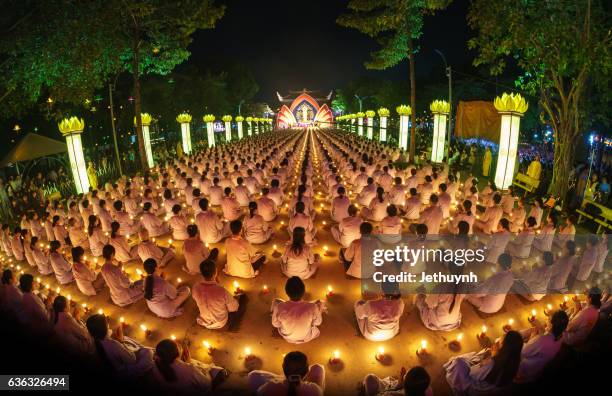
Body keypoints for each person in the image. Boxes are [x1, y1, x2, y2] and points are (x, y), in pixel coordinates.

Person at [444, 330, 524, 395]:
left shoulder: (490, 363)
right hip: (489, 389)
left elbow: (472, 373)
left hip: (473, 387)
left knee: (458, 362)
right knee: (481, 353)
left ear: (504, 350)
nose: (495, 343)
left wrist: (488, 359)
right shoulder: (513, 362)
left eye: (499, 342)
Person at [85, 314, 153, 379]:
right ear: (104, 327)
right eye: (106, 323)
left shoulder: (93, 340)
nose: (108, 324)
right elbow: (132, 359)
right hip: (123, 372)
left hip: (111, 369)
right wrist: (121, 341)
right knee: (148, 352)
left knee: (126, 338)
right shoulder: (112, 344)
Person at [150, 339, 225, 394]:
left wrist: (188, 363)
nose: (180, 347)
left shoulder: (155, 365)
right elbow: (207, 384)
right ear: (177, 353)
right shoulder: (190, 370)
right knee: (220, 372)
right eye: (178, 346)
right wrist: (205, 371)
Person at [515, 310, 569, 383]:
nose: (547, 320)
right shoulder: (560, 336)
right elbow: (547, 338)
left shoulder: (542, 340)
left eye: (549, 319)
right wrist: (540, 327)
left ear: (552, 325)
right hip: (539, 367)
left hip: (526, 369)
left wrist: (532, 336)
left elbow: (523, 352)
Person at [271, 277, 324, 344]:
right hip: (305, 336)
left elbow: (275, 324)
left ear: (286, 292)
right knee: (319, 303)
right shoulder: (312, 307)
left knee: (276, 301)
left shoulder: (279, 307)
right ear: (303, 291)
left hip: (288, 337)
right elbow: (318, 322)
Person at [248, 351, 325, 396]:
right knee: (318, 367)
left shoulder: (269, 388)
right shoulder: (314, 391)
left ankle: (283, 379)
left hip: (278, 384)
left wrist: (279, 384)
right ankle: (286, 379)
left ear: (283, 367)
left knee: (253, 375)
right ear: (307, 370)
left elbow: (259, 392)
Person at [192, 259, 239, 329]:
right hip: (220, 323)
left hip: (204, 322)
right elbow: (233, 308)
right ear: (215, 272)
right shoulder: (221, 291)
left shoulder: (195, 288)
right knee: (239, 300)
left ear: (201, 273)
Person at [363, 366, 432, 396]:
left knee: (369, 378)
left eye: (406, 374)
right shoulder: (426, 387)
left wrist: (397, 386)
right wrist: (401, 380)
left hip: (389, 389)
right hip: (399, 387)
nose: (406, 372)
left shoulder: (390, 395)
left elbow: (383, 393)